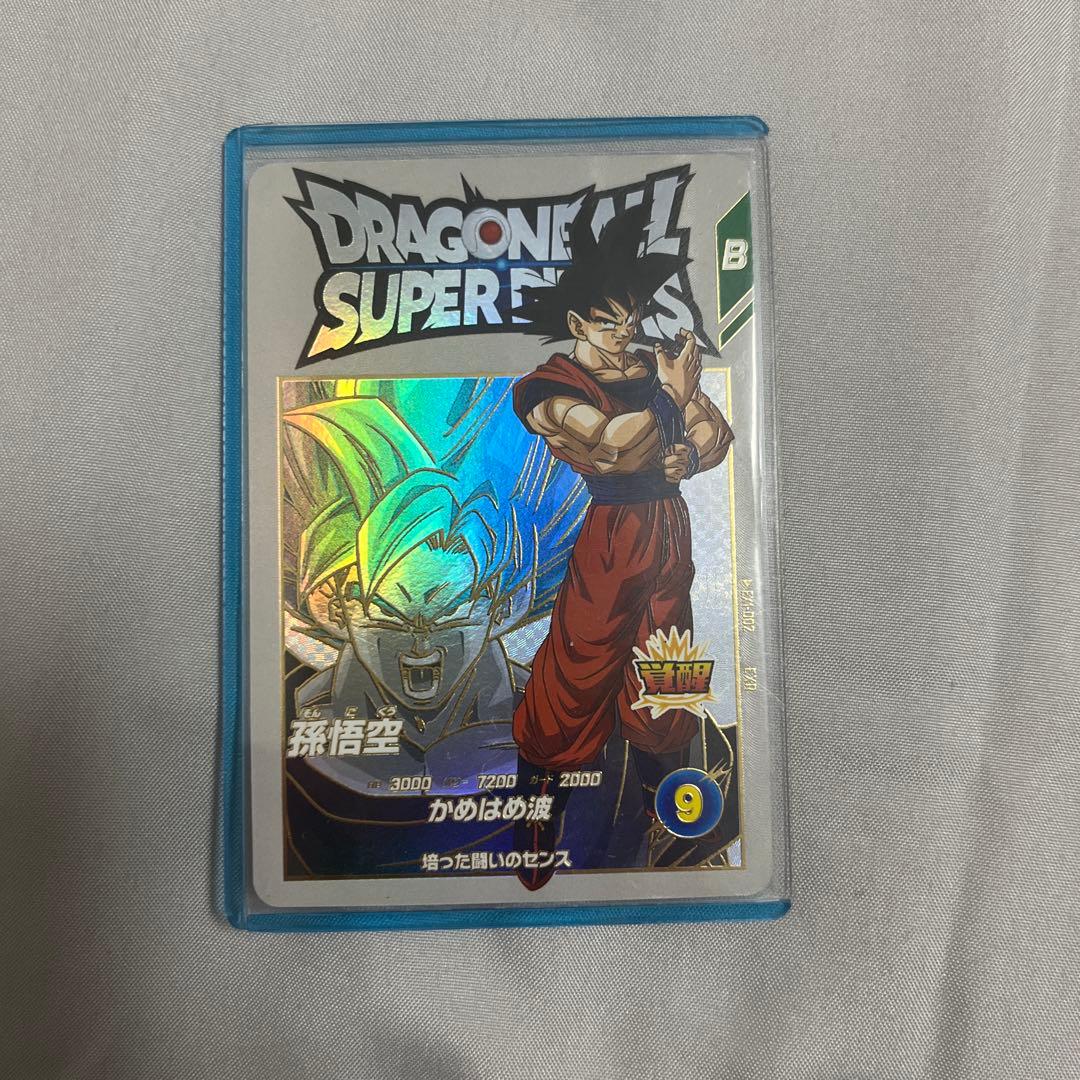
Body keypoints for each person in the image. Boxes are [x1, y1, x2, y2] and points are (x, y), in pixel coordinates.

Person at [509, 202, 734, 889]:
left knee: (668, 668)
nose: (626, 331)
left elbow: (716, 435)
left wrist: (689, 453)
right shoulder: (548, 387)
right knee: (576, 671)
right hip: (611, 539)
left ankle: (675, 814)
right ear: (577, 323)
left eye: (631, 317)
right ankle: (537, 815)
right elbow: (610, 448)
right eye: (610, 321)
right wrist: (669, 401)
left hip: (669, 533)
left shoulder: (648, 366)